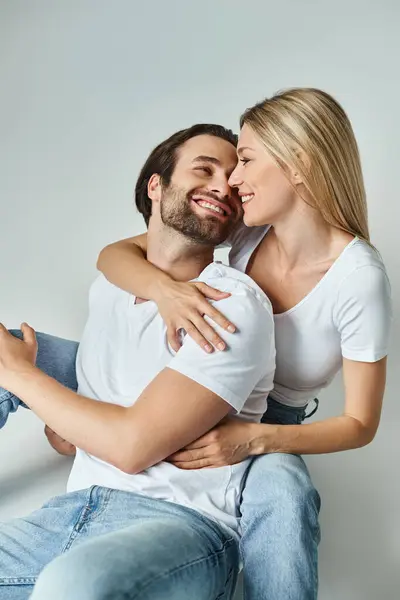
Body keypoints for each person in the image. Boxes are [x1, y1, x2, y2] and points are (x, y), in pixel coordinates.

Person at [93, 87, 393, 600]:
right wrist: (164, 291)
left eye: (246, 161)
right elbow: (115, 253)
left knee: (287, 493)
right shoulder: (247, 234)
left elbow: (361, 425)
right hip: (189, 379)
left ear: (298, 164)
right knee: (16, 349)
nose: (233, 180)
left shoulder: (358, 279)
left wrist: (254, 440)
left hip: (264, 422)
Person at [0, 124, 277, 600]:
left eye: (232, 180)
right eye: (204, 168)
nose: (221, 185)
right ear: (156, 185)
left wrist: (22, 375)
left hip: (178, 527)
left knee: (72, 585)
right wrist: (71, 419)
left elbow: (131, 448)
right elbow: (113, 256)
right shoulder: (114, 280)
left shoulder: (232, 303)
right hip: (69, 513)